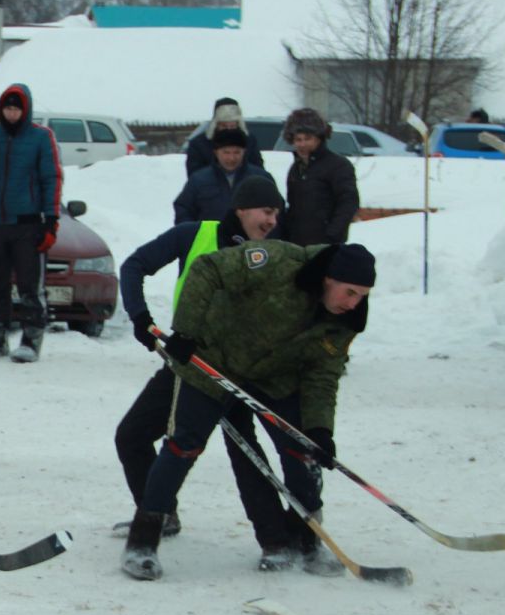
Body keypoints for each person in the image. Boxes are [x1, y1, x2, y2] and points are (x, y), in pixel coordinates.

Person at [120, 240, 375, 581]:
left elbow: (323, 376)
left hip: (275, 377)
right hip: (213, 361)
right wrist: (187, 331)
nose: (355, 302)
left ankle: (306, 540)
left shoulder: (347, 320)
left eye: (363, 295)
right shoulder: (280, 261)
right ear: (329, 278)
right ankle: (143, 540)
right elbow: (206, 269)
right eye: (350, 292)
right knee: (184, 445)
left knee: (304, 452)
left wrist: (320, 430)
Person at [115, 176, 308, 567]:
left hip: (237, 371)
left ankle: (276, 543)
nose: (272, 220)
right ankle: (161, 514)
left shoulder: (274, 253)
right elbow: (134, 265)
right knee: (133, 436)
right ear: (242, 208)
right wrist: (140, 317)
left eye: (277, 214)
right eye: (266, 211)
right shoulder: (194, 235)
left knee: (244, 449)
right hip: (189, 362)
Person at [0, 82, 62, 363]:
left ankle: (31, 341)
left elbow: (51, 179)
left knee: (30, 286)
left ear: (26, 110)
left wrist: (51, 221)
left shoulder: (42, 138)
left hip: (27, 225)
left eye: (16, 108)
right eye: (7, 108)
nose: (11, 113)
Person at [280, 107, 358, 248]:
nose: (302, 144)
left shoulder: (338, 166)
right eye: (298, 139)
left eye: (308, 139)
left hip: (327, 247)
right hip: (297, 247)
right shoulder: (295, 169)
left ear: (319, 138)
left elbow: (348, 203)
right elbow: (292, 208)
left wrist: (332, 236)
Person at [171, 127, 273, 226]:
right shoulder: (199, 180)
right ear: (216, 152)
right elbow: (183, 209)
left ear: (244, 152)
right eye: (226, 152)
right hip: (211, 240)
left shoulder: (261, 178)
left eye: (237, 152)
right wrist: (192, 234)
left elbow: (276, 212)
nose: (231, 158)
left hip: (252, 242)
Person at [183, 98, 266, 177]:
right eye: (224, 125)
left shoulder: (249, 141)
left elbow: (259, 171)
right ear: (216, 124)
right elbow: (194, 176)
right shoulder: (199, 144)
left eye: (233, 126)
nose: (229, 130)